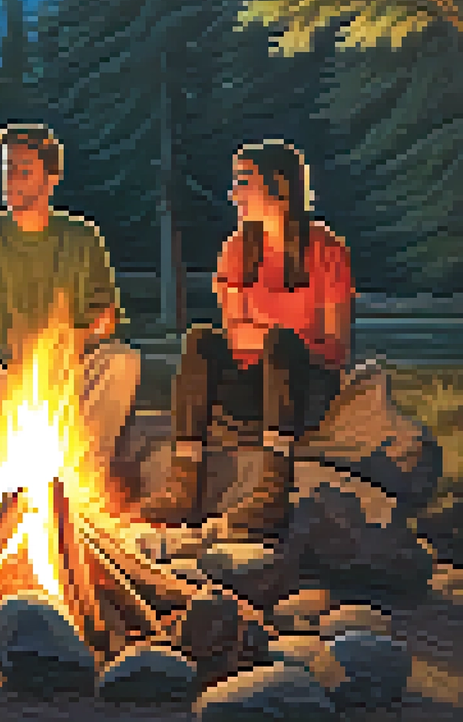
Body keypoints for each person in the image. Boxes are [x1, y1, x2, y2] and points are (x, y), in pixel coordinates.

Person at [144, 139, 352, 538]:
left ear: (278, 186)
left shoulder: (326, 251)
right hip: (250, 386)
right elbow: (233, 332)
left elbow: (335, 345)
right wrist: (275, 327)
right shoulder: (238, 250)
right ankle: (184, 483)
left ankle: (273, 489)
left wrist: (276, 334)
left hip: (303, 387)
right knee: (201, 340)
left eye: (243, 182)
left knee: (281, 343)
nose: (233, 193)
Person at [0, 123, 142, 470]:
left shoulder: (82, 239)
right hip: (1, 374)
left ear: (51, 178)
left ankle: (85, 478)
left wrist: (92, 332)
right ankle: (4, 481)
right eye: (8, 169)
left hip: (69, 370)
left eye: (24, 170)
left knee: (121, 362)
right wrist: (23, 357)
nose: (12, 179)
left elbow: (105, 316)